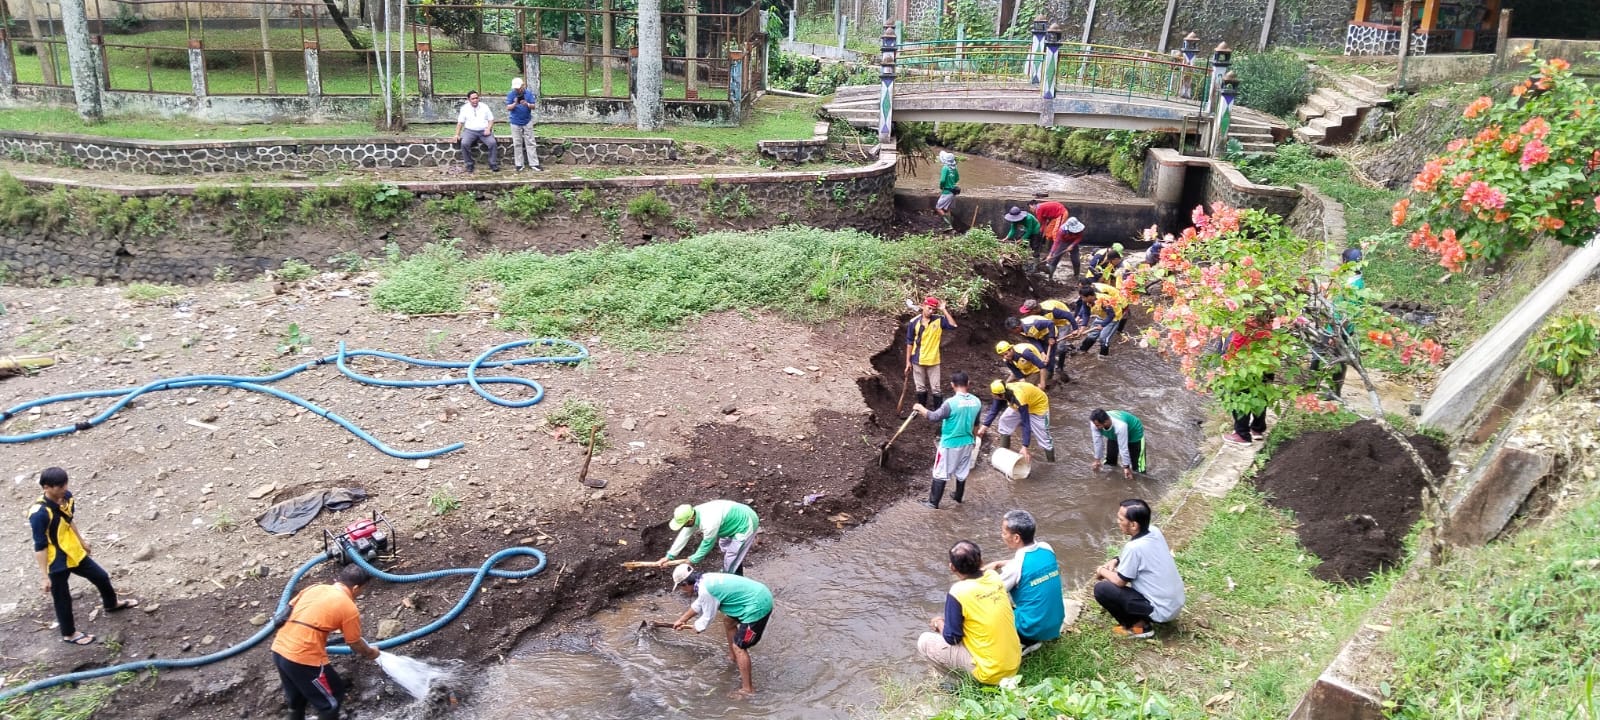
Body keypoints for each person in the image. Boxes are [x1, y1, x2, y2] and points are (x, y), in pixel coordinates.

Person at [28, 467, 139, 646]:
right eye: (59, 486)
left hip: (73, 551)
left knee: (101, 576)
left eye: (65, 484)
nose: (64, 489)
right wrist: (44, 576)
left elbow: (68, 520)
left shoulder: (67, 498)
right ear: (46, 487)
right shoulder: (39, 514)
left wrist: (81, 541)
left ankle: (111, 603)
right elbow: (39, 546)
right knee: (62, 597)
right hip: (55, 560)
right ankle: (69, 633)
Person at [271, 564, 381, 720]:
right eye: (363, 588)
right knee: (331, 701)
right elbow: (354, 643)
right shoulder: (348, 607)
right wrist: (371, 653)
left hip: (279, 650)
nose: (362, 592)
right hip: (303, 658)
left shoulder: (314, 588)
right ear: (356, 588)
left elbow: (287, 609)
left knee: (297, 701)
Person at [916, 540, 1021, 685]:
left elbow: (952, 638)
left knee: (924, 641)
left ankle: (956, 683)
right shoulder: (993, 577)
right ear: (982, 561)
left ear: (952, 567)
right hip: (1014, 663)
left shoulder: (957, 592)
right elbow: (986, 571)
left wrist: (938, 623)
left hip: (991, 673)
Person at [672, 565, 774, 698]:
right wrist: (682, 620)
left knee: (739, 646)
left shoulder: (705, 590)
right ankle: (733, 657)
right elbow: (699, 603)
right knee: (728, 621)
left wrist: (695, 627)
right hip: (757, 594)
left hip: (758, 604)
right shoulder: (705, 580)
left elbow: (707, 619)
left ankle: (747, 690)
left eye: (681, 587)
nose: (682, 590)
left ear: (685, 583)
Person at [1093, 499, 1185, 640]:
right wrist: (1116, 560)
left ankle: (1140, 627)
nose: (1117, 521)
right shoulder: (1154, 531)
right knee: (1112, 585)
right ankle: (1141, 619)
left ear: (1134, 525)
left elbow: (1119, 581)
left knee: (1102, 589)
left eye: (1120, 519)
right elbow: (1141, 555)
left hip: (1161, 611)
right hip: (1174, 604)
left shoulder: (1134, 548)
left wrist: (1101, 570)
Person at [982, 510, 1064, 651]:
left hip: (1032, 630)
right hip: (1056, 622)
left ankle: (1026, 643)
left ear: (1016, 538)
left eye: (1004, 532)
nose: (1002, 536)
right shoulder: (1047, 548)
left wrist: (979, 576)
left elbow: (989, 593)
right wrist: (999, 563)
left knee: (989, 602)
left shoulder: (1014, 567)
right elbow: (1028, 563)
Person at [912, 370, 982, 509]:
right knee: (962, 471)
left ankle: (933, 503)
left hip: (950, 443)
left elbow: (933, 417)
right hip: (967, 442)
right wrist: (973, 439)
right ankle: (958, 496)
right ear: (968, 384)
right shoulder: (976, 401)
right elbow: (976, 424)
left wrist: (920, 407)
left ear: (952, 385)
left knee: (940, 471)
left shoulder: (950, 403)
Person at [658, 500, 760, 575]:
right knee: (725, 547)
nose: (684, 527)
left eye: (684, 524)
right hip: (731, 522)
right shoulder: (693, 513)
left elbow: (707, 544)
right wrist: (669, 556)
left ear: (690, 520)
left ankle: (729, 578)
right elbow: (684, 535)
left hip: (746, 522)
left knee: (732, 555)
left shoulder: (709, 522)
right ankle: (735, 569)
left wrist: (693, 559)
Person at [979, 379, 1055, 462]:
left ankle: (1051, 463)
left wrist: (1024, 446)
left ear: (1001, 395)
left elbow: (1026, 423)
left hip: (1038, 406)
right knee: (1005, 421)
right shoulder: (1002, 390)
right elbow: (994, 410)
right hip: (1023, 402)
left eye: (994, 395)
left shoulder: (1018, 398)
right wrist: (983, 428)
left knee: (1044, 437)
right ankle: (1003, 453)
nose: (992, 395)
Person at [905, 296, 958, 410]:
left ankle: (938, 412)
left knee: (936, 388)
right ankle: (922, 410)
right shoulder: (913, 322)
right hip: (917, 359)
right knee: (920, 387)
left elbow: (953, 326)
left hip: (933, 360)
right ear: (923, 306)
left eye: (934, 310)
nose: (931, 311)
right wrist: (908, 362)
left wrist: (943, 309)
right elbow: (909, 342)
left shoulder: (939, 320)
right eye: (929, 308)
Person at [1089, 408, 1145, 480]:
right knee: (1110, 462)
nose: (1095, 427)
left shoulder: (1120, 425)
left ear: (1105, 422)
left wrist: (1126, 467)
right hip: (1115, 433)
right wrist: (1097, 460)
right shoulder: (1094, 423)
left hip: (1134, 433)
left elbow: (1123, 448)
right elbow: (1097, 442)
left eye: (1097, 425)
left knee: (1138, 469)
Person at [1075, 283, 1128, 358]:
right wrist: (1083, 327)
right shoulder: (1086, 300)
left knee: (1103, 338)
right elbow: (1086, 313)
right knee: (1092, 335)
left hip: (1113, 318)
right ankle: (1083, 350)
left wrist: (1102, 325)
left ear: (1090, 296)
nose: (1082, 299)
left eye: (1083, 297)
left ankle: (1103, 356)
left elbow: (1111, 315)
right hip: (1102, 315)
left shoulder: (1104, 301)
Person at [452, 90, 499, 173]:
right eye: (473, 99)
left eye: (477, 98)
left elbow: (491, 120)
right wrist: (457, 134)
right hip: (470, 131)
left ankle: (493, 163)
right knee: (464, 143)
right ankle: (469, 164)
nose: (475, 100)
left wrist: (488, 129)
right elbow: (460, 123)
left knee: (492, 143)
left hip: (484, 130)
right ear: (469, 99)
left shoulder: (485, 107)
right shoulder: (464, 108)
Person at [504, 77, 542, 172]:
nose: (517, 90)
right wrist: (515, 103)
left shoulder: (528, 93)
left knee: (531, 142)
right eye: (515, 89)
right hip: (515, 122)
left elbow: (533, 106)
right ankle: (519, 164)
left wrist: (527, 104)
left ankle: (534, 163)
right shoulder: (511, 94)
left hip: (527, 121)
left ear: (523, 86)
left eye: (518, 88)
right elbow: (508, 107)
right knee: (517, 143)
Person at [936, 151, 960, 230]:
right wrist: (951, 182)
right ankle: (951, 225)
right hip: (953, 192)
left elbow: (942, 180)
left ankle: (948, 224)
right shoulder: (954, 168)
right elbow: (957, 179)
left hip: (946, 192)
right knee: (947, 209)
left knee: (938, 208)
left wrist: (941, 187)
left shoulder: (945, 168)